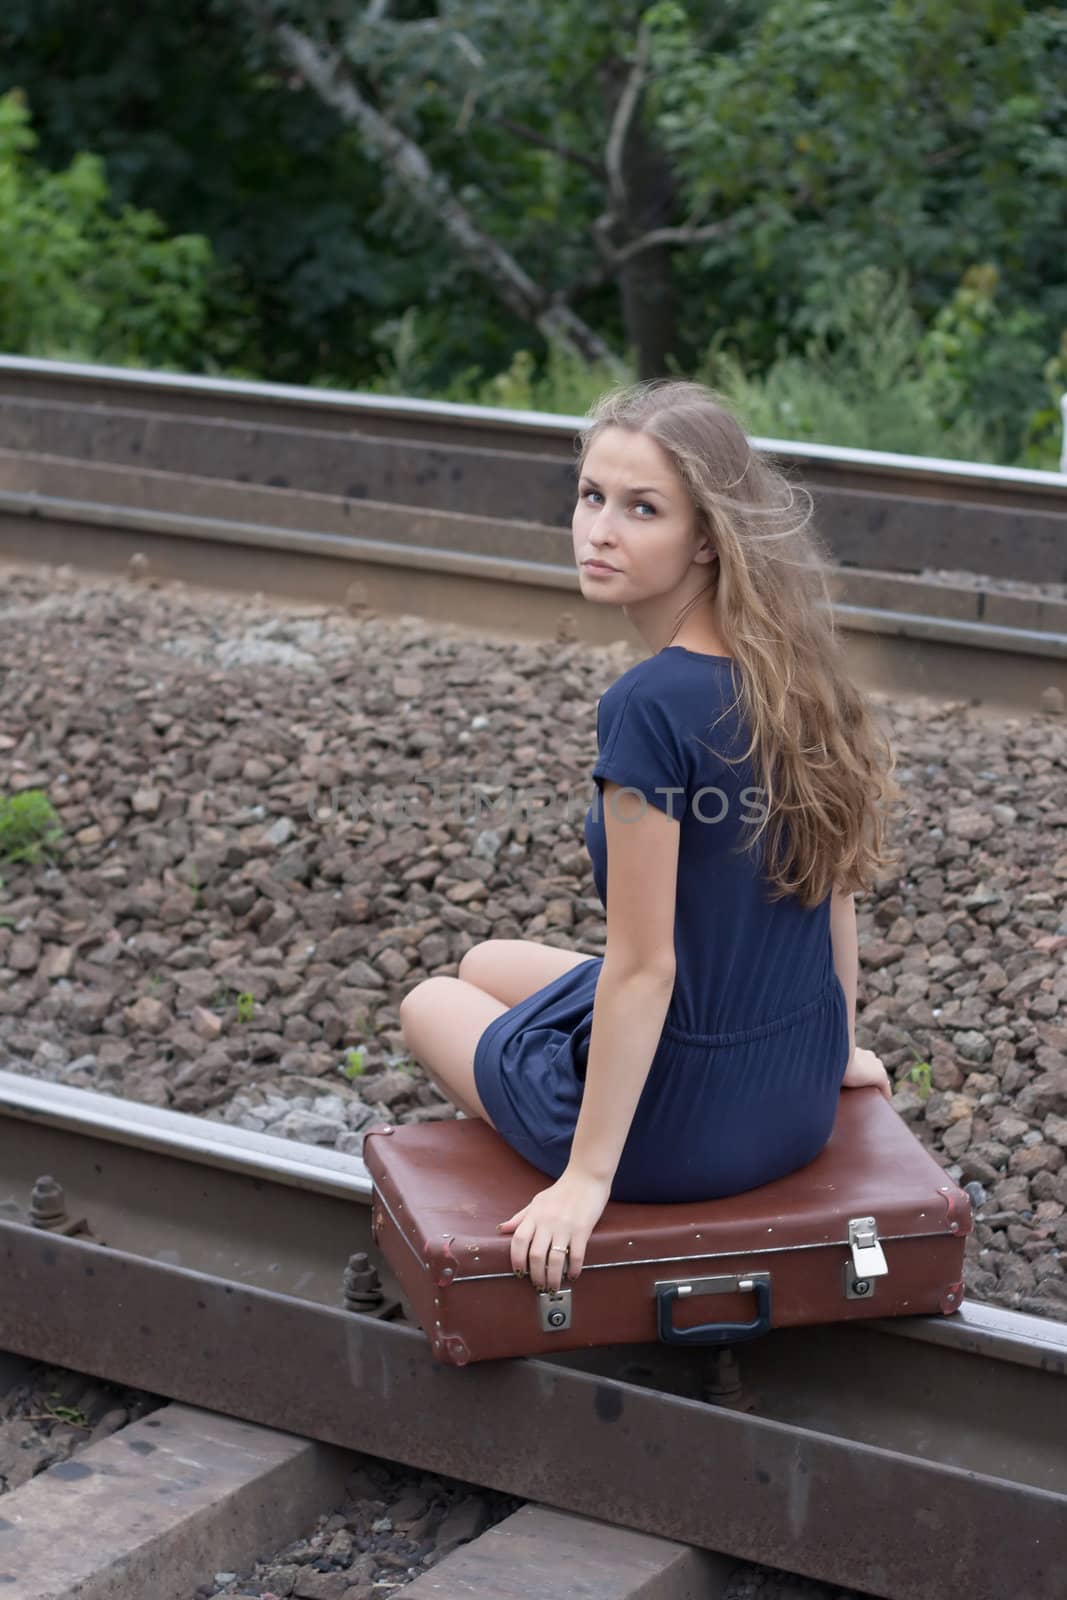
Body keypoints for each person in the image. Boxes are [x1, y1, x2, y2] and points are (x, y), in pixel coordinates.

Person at [398, 379, 904, 1297]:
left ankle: (590, 1129)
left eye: (642, 509)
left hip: (675, 1137)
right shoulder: (794, 675)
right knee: (489, 960)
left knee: (431, 999)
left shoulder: (647, 711)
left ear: (706, 537)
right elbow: (834, 895)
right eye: (591, 496)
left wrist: (587, 1180)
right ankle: (618, 1070)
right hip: (793, 1102)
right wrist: (832, 1053)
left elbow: (644, 967)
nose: (599, 530)